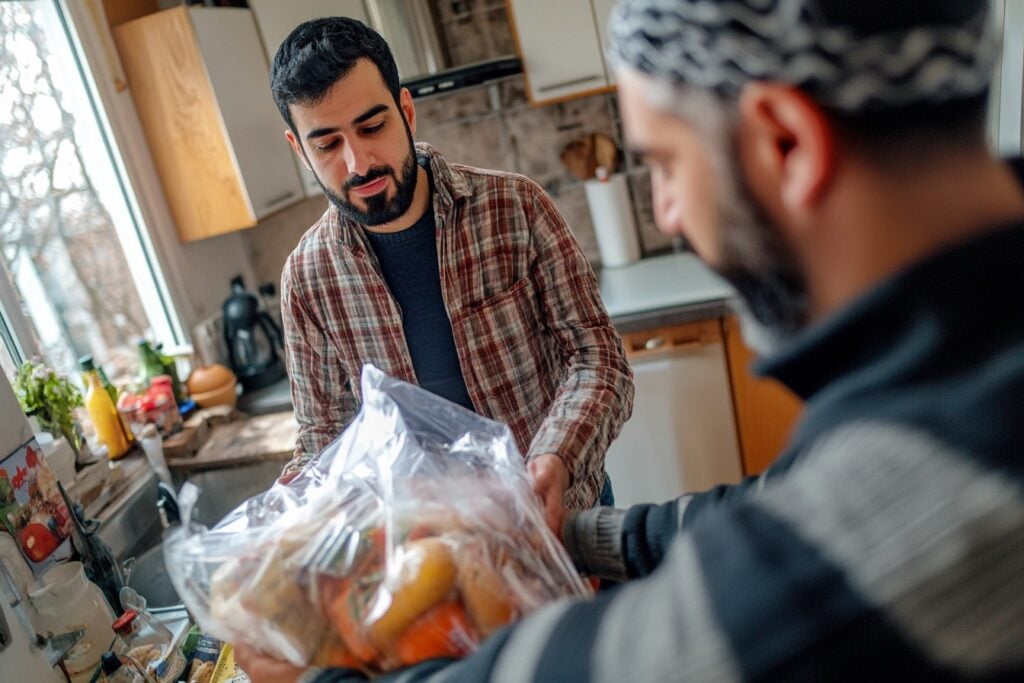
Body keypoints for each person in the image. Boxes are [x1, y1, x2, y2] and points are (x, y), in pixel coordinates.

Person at [237, 0, 1024, 680]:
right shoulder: (947, 382)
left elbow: (655, 650)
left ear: (787, 143)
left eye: (667, 164)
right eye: (325, 141)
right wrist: (571, 535)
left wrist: (313, 666)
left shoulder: (918, 491)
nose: (669, 212)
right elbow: (776, 501)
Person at [269, 18, 634, 526]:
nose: (358, 163)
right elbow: (324, 438)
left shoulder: (516, 207)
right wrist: (291, 501)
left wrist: (555, 458)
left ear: (407, 111)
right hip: (438, 558)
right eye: (327, 145)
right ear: (298, 149)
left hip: (563, 517)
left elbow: (598, 359)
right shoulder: (308, 279)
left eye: (372, 127)